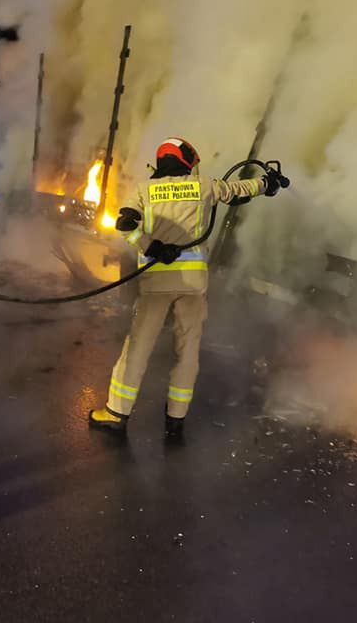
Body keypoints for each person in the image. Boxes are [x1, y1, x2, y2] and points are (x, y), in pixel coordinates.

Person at [88, 137, 287, 439]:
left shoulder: (144, 190)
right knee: (188, 352)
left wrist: (152, 247)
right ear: (187, 162)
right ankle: (176, 419)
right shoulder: (203, 186)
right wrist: (267, 183)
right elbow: (238, 190)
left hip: (156, 284)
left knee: (138, 349)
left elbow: (126, 224)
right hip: (193, 286)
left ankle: (116, 414)